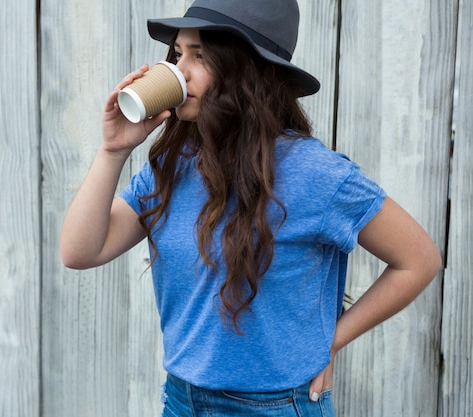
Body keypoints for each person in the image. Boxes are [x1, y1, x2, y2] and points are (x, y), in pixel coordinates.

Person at [60, 0, 442, 415]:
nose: (177, 70)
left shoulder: (315, 174)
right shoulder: (172, 166)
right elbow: (80, 252)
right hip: (181, 401)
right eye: (177, 53)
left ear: (246, 71)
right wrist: (113, 150)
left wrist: (330, 341)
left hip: (274, 407)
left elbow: (419, 259)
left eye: (200, 55)